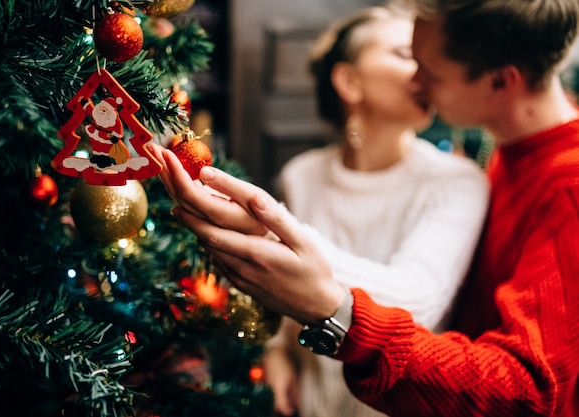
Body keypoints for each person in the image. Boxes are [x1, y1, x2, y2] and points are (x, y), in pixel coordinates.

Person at [151, 0, 579, 414]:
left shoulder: (564, 185)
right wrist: (281, 348)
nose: (418, 80)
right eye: (405, 57)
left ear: (501, 82)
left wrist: (286, 254)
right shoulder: (506, 157)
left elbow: (530, 390)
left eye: (428, 70)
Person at [264, 5, 488, 417]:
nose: (427, 73)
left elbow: (415, 306)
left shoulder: (457, 182)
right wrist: (275, 352)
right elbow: (288, 303)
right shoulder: (302, 176)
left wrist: (282, 241)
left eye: (427, 60)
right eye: (406, 56)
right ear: (349, 81)